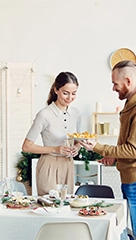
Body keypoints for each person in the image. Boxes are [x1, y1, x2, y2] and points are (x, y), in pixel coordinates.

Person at [79, 60, 136, 238]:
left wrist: (98, 147)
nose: (113, 88)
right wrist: (115, 157)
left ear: (128, 81)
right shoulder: (129, 105)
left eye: (115, 84)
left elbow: (133, 150)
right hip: (129, 178)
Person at [22, 72, 81, 196]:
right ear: (56, 90)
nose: (70, 98)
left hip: (68, 164)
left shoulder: (76, 114)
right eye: (65, 93)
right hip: (49, 165)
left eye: (74, 93)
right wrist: (55, 149)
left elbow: (78, 140)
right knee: (49, 207)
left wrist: (76, 148)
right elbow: (27, 146)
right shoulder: (44, 114)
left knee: (66, 205)